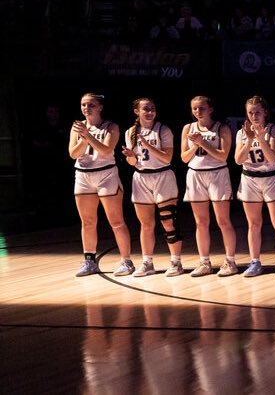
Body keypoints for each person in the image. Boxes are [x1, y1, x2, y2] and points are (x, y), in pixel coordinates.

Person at [70, 93, 134, 277]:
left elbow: (106, 150)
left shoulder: (111, 126)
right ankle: (89, 261)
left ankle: (126, 261)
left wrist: (88, 135)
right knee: (88, 221)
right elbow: (73, 154)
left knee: (116, 221)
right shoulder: (77, 128)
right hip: (83, 175)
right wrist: (83, 137)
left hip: (106, 174)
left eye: (91, 105)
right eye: (83, 104)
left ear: (100, 107)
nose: (86, 108)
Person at [122, 98, 185, 277]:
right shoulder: (130, 132)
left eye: (152, 108)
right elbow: (134, 162)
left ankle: (176, 262)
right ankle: (147, 263)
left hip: (163, 176)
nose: (150, 112)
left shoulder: (163, 130)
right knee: (146, 224)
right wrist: (130, 156)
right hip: (141, 178)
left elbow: (167, 158)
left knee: (168, 221)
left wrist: (148, 144)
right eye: (146, 109)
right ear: (137, 111)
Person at [235, 96, 275, 277]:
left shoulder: (274, 130)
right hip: (249, 179)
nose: (254, 116)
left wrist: (260, 139)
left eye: (257, 112)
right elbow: (238, 160)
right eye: (250, 112)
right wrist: (249, 139)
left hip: (272, 178)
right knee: (253, 224)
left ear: (265, 113)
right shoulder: (241, 133)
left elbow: (271, 158)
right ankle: (255, 262)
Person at [180, 96, 237, 277]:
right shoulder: (188, 128)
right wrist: (195, 146)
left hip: (217, 174)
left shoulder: (222, 128)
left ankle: (230, 261)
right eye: (195, 109)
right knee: (201, 222)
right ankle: (204, 262)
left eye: (202, 108)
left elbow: (223, 156)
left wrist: (203, 142)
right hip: (195, 174)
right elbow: (184, 158)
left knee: (223, 221)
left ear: (210, 109)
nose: (198, 112)